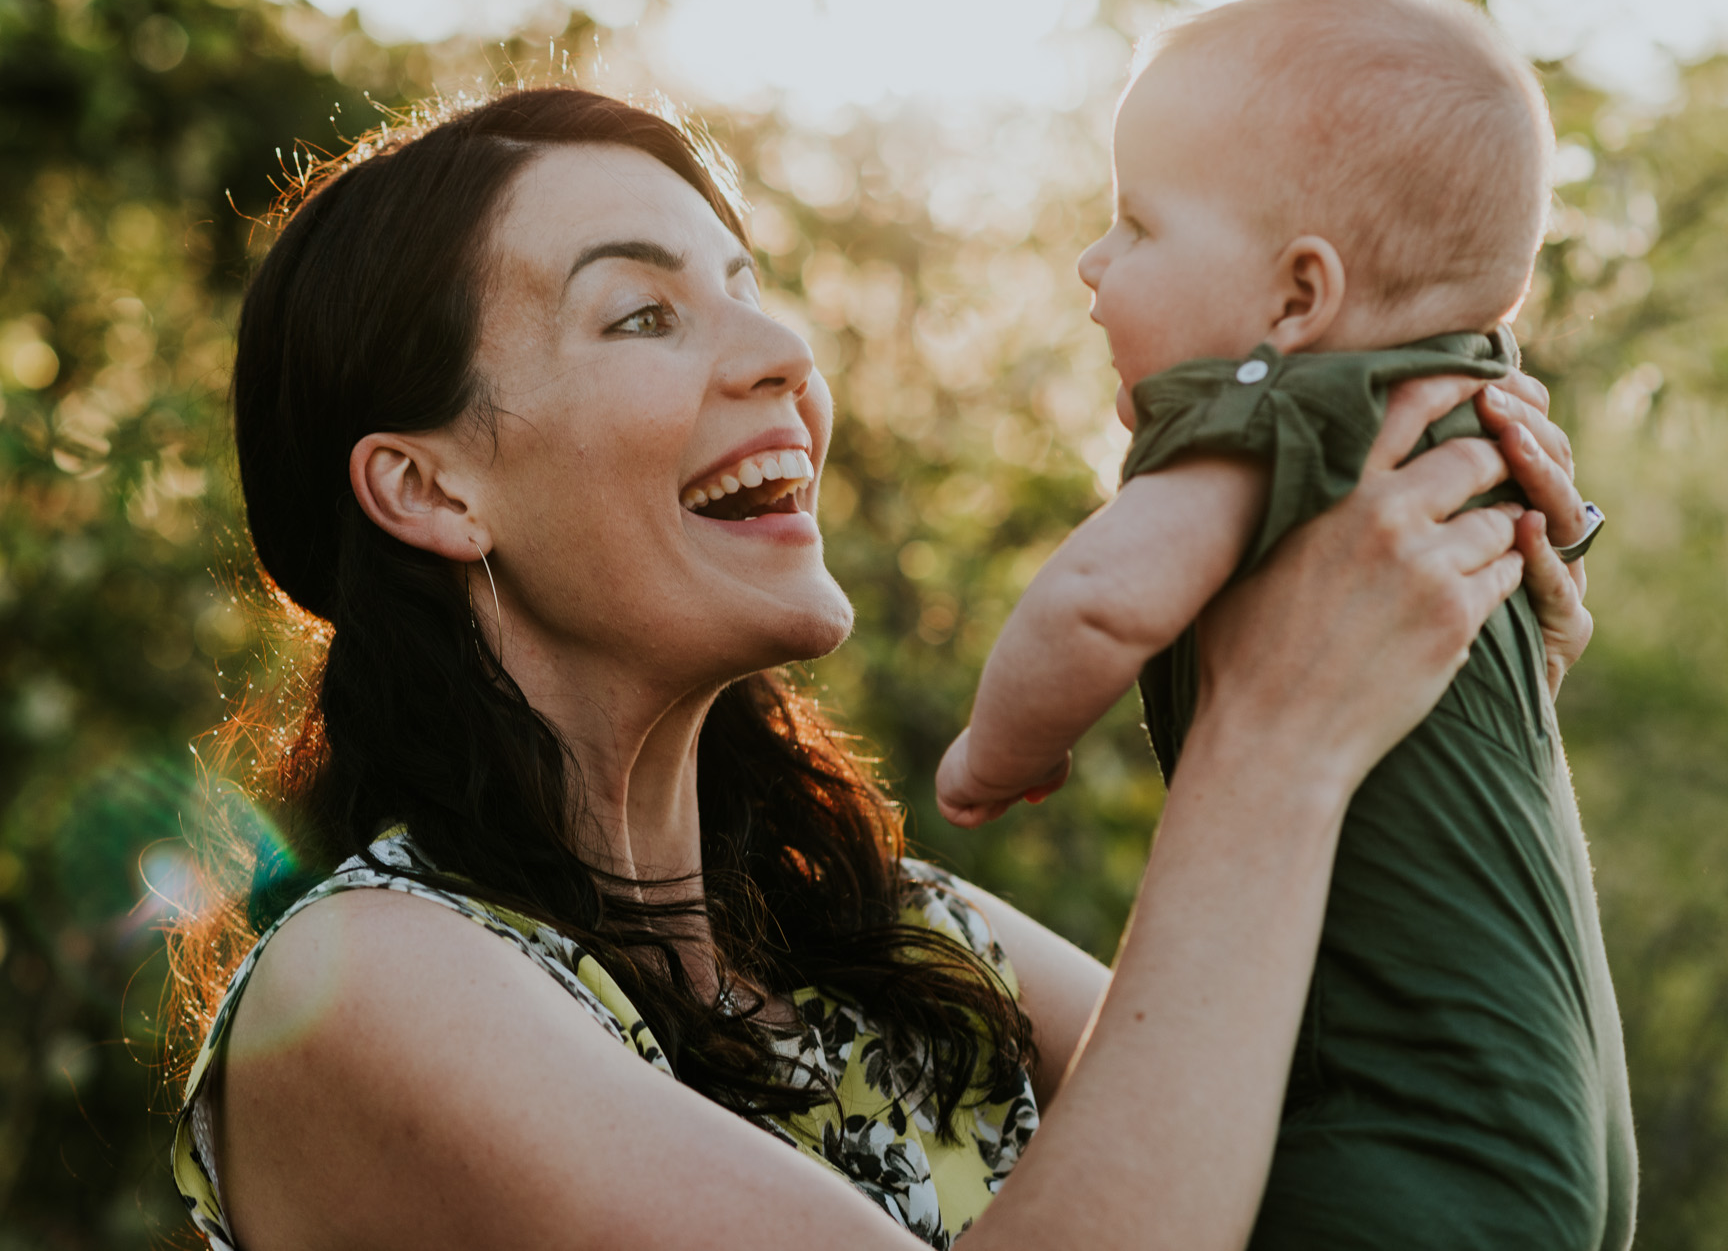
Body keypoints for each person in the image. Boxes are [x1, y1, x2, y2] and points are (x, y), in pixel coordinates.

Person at [166, 87, 1598, 1251]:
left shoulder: (874, 927)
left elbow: (1351, 1155)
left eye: (748, 289)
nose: (784, 350)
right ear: (428, 489)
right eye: (643, 314)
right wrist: (1277, 737)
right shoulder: (365, 986)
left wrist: (1471, 692)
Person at [934, 0, 1632, 1251]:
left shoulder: (1276, 410)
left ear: (1295, 298)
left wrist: (998, 753)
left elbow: (1095, 600)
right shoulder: (1468, 415)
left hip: (1385, 1147)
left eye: (1135, 224)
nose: (1092, 264)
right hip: (1557, 1114)